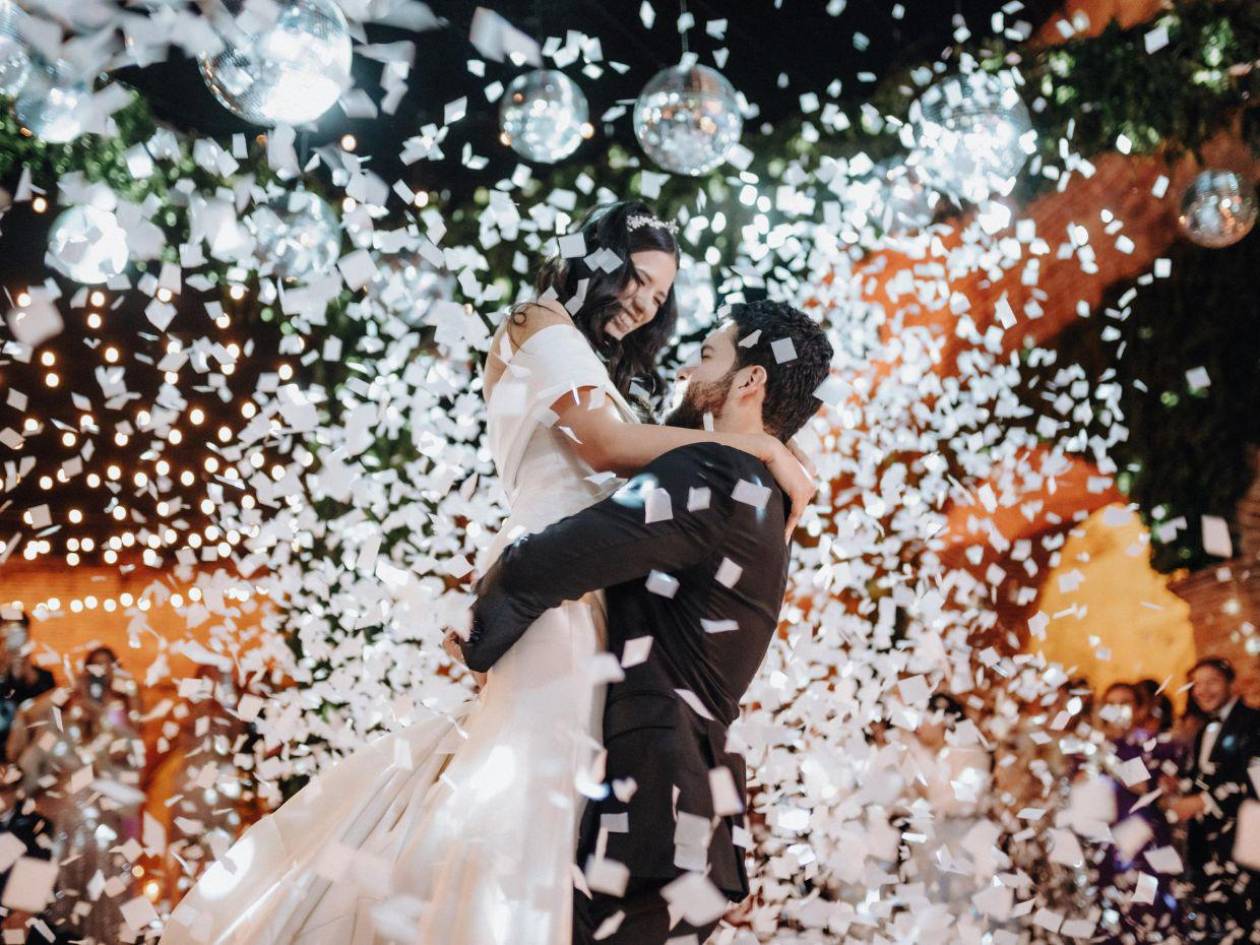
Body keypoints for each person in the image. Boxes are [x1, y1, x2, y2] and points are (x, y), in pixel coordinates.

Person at [158, 203, 817, 945]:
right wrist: (758, 450)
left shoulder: (602, 369)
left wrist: (757, 441)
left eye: (661, 294)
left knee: (556, 807)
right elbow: (602, 447)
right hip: (557, 599)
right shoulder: (537, 324)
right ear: (593, 259)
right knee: (524, 798)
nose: (644, 301)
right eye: (636, 277)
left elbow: (659, 455)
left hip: (591, 607)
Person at [461, 301, 834, 945]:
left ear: (749, 382)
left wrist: (477, 634)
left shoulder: (718, 471)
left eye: (708, 356)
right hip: (683, 833)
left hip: (653, 826)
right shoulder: (758, 490)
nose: (688, 370)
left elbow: (554, 560)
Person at [5, 646, 146, 943]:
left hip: (103, 838)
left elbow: (133, 774)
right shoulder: (57, 729)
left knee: (103, 911)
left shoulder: (117, 732)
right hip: (54, 835)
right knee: (36, 916)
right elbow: (26, 773)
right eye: (91, 674)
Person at [1165, 657, 1259, 944]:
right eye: (1197, 684)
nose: (1203, 691)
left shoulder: (1254, 722)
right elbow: (1204, 777)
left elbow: (1255, 782)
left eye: (1212, 682)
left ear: (1232, 684)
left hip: (1246, 847)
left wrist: (1205, 801)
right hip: (1208, 850)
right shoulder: (1204, 730)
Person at [0, 608, 54, 763]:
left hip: (33, 746)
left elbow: (54, 712)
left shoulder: (41, 676)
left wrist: (29, 674)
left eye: (20, 633)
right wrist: (6, 671)